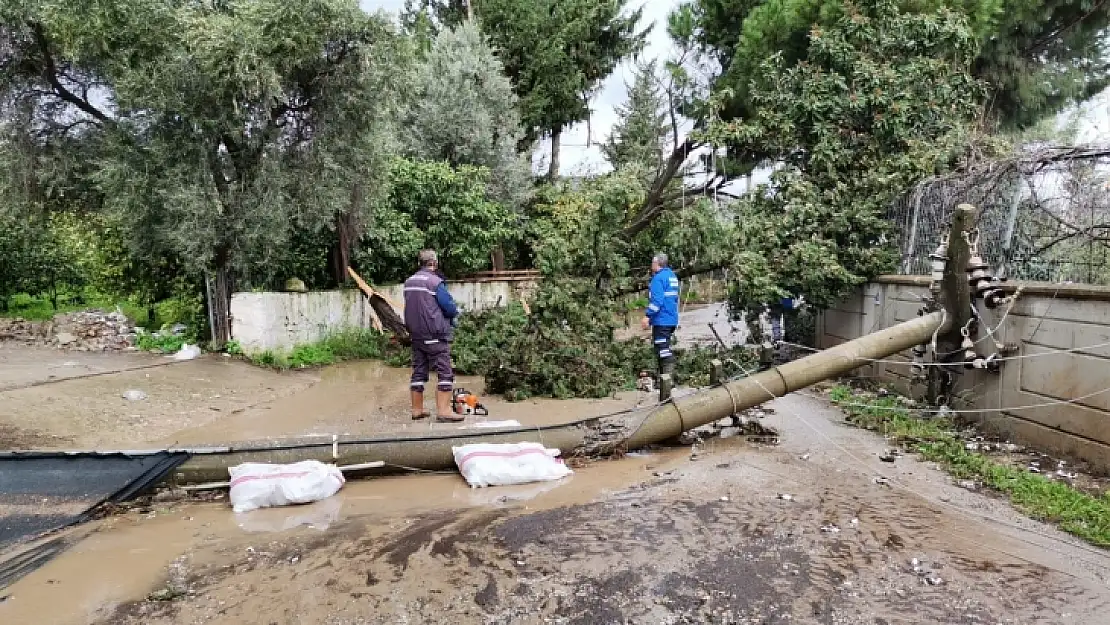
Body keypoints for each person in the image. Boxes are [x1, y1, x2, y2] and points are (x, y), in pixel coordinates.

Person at [403, 249, 463, 422]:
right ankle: (444, 411)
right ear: (434, 263)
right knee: (445, 372)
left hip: (416, 334)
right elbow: (449, 308)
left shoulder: (409, 282)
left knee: (418, 371)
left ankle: (417, 410)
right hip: (435, 334)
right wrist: (454, 316)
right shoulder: (435, 282)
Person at [641, 253, 680, 379]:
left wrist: (647, 316)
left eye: (652, 263)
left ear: (657, 264)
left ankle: (668, 380)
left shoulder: (658, 279)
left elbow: (657, 301)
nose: (651, 265)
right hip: (671, 319)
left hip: (662, 319)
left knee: (662, 349)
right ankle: (661, 379)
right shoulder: (671, 276)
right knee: (660, 347)